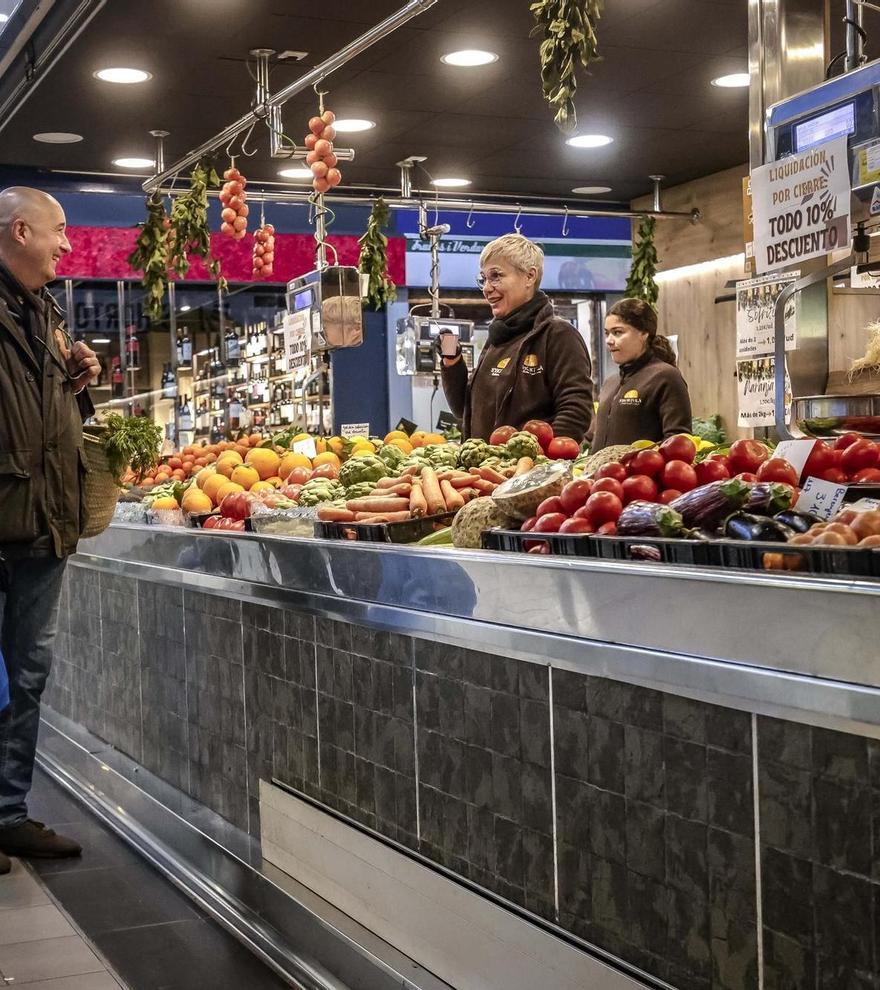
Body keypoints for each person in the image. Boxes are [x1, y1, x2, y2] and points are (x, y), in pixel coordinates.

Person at [0, 187, 100, 874]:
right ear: (21, 230)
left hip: (44, 520)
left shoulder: (47, 310)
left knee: (29, 674)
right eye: (60, 232)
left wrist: (81, 378)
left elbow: (47, 410)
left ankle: (7, 814)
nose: (67, 245)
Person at [440, 233, 593, 442]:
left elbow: (576, 411)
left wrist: (533, 462)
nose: (486, 288)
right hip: (486, 471)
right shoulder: (498, 338)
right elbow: (463, 409)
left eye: (496, 276)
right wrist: (452, 362)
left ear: (529, 276)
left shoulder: (558, 335)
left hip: (530, 471)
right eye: (483, 279)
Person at [590, 297, 692, 451]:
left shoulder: (666, 377)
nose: (609, 340)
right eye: (607, 333)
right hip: (600, 474)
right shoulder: (610, 382)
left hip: (640, 475)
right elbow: (594, 436)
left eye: (617, 332)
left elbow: (677, 442)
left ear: (644, 333)